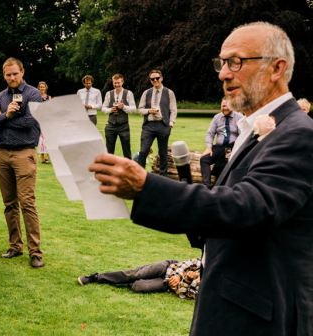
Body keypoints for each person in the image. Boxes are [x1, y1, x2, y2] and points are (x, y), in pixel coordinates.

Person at [89, 22, 313, 335]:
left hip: (261, 317)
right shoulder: (256, 130)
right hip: (229, 303)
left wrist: (146, 186)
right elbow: (225, 220)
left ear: (276, 68)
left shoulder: (299, 134)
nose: (223, 74)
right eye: (221, 63)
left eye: (236, 62)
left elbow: (251, 207)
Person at [0, 57, 44, 268]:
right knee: (9, 204)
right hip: (2, 154)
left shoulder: (33, 94)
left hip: (23, 153)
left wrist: (5, 117)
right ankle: (15, 246)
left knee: (27, 202)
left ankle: (35, 252)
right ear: (4, 75)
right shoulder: (0, 96)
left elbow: (33, 120)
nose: (12, 77)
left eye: (15, 74)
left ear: (22, 72)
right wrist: (4, 116)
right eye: (8, 74)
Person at [78, 258, 201, 299]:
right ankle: (95, 277)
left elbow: (184, 294)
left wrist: (187, 281)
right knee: (133, 275)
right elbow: (190, 262)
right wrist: (179, 275)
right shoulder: (208, 266)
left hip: (167, 284)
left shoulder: (205, 292)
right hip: (169, 267)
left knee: (138, 286)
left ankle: (125, 281)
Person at [136, 68, 177, 176]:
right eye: (152, 79)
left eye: (157, 78)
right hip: (148, 126)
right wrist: (149, 110)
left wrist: (171, 123)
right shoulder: (146, 92)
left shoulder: (169, 92)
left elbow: (173, 109)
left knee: (163, 153)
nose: (155, 80)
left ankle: (163, 177)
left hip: (163, 125)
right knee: (143, 151)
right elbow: (140, 109)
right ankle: (140, 176)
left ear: (161, 78)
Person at [199, 98, 243, 188]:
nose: (224, 108)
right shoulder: (217, 117)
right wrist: (208, 147)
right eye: (223, 106)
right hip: (218, 148)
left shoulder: (239, 117)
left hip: (230, 148)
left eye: (227, 106)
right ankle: (207, 186)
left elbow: (242, 136)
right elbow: (210, 134)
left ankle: (221, 186)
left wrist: (235, 151)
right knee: (204, 159)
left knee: (226, 163)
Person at [101, 73, 136, 159]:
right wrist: (110, 110)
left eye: (118, 83)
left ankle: (128, 170)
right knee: (109, 151)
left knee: (126, 150)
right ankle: (109, 170)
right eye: (115, 83)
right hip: (110, 125)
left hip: (123, 126)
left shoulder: (128, 93)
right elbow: (103, 108)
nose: (116, 85)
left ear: (122, 82)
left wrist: (123, 107)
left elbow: (134, 109)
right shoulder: (109, 94)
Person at [37, 81, 52, 164]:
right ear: (38, 88)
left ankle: (49, 157)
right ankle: (42, 157)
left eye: (43, 87)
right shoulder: (36, 97)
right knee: (41, 139)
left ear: (46, 87)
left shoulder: (49, 97)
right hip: (39, 120)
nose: (42, 88)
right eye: (40, 87)